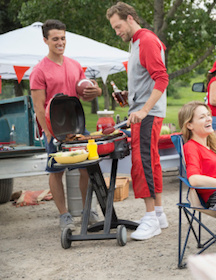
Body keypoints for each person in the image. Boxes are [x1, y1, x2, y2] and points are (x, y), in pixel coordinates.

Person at [30, 19, 102, 230]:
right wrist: (50, 134)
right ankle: (64, 215)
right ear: (45, 40)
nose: (60, 42)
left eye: (63, 38)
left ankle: (88, 210)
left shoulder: (75, 65)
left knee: (88, 168)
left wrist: (95, 91)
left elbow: (85, 94)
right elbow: (39, 108)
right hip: (54, 129)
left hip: (76, 127)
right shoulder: (39, 71)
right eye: (55, 39)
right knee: (55, 171)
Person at [106, 2, 169, 240]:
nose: (117, 31)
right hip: (144, 112)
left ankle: (150, 218)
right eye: (114, 28)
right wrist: (127, 96)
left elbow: (162, 79)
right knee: (150, 162)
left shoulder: (146, 40)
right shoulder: (135, 44)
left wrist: (143, 110)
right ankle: (159, 214)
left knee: (142, 164)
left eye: (118, 26)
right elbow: (145, 81)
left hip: (147, 115)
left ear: (130, 18)